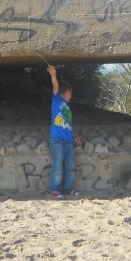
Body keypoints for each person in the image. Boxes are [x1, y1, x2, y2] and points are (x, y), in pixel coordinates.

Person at [47, 65, 81, 199]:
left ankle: (68, 189)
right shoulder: (57, 100)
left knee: (70, 166)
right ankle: (54, 190)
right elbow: (55, 86)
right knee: (57, 166)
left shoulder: (67, 107)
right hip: (57, 139)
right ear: (67, 91)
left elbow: (67, 125)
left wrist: (74, 137)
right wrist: (53, 74)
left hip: (68, 141)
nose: (71, 96)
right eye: (70, 93)